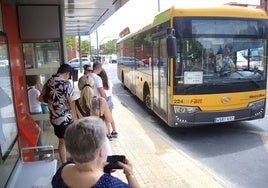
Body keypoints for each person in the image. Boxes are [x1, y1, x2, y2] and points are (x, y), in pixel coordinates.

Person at [51, 116, 140, 188]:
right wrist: (130, 174)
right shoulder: (111, 184)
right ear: (101, 151)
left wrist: (98, 170)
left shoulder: (61, 171)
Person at [69, 75, 112, 158]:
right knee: (103, 167)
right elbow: (109, 119)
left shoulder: (73, 104)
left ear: (79, 87)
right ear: (93, 86)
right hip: (100, 141)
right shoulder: (101, 101)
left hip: (83, 142)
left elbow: (75, 122)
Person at [39, 63, 74, 163]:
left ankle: (64, 163)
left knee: (61, 141)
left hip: (54, 118)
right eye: (69, 76)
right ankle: (76, 162)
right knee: (72, 141)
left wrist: (53, 102)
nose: (69, 78)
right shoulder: (66, 84)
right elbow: (71, 102)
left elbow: (40, 98)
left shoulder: (49, 81)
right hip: (66, 118)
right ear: (67, 73)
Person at [98, 69, 118, 139]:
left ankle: (109, 134)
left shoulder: (100, 83)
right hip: (110, 100)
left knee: (106, 119)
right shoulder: (109, 82)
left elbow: (101, 94)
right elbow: (112, 92)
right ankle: (114, 131)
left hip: (104, 100)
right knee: (110, 116)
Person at [26, 75, 43, 147]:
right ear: (36, 82)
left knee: (32, 132)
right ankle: (41, 152)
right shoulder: (35, 91)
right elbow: (42, 100)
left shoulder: (26, 91)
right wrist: (40, 87)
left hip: (29, 113)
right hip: (37, 112)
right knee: (39, 132)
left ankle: (34, 149)